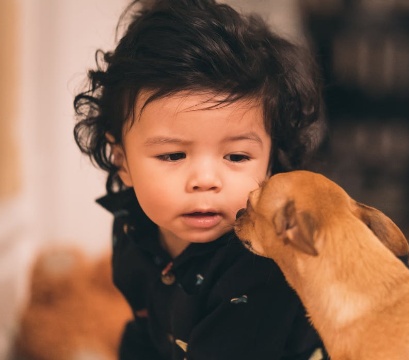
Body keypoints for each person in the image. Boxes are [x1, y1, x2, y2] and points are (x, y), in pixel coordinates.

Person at [73, 0, 328, 359]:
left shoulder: (262, 268)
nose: (205, 180)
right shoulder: (132, 228)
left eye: (236, 157)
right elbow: (149, 330)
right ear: (122, 161)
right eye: (173, 155)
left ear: (270, 163)